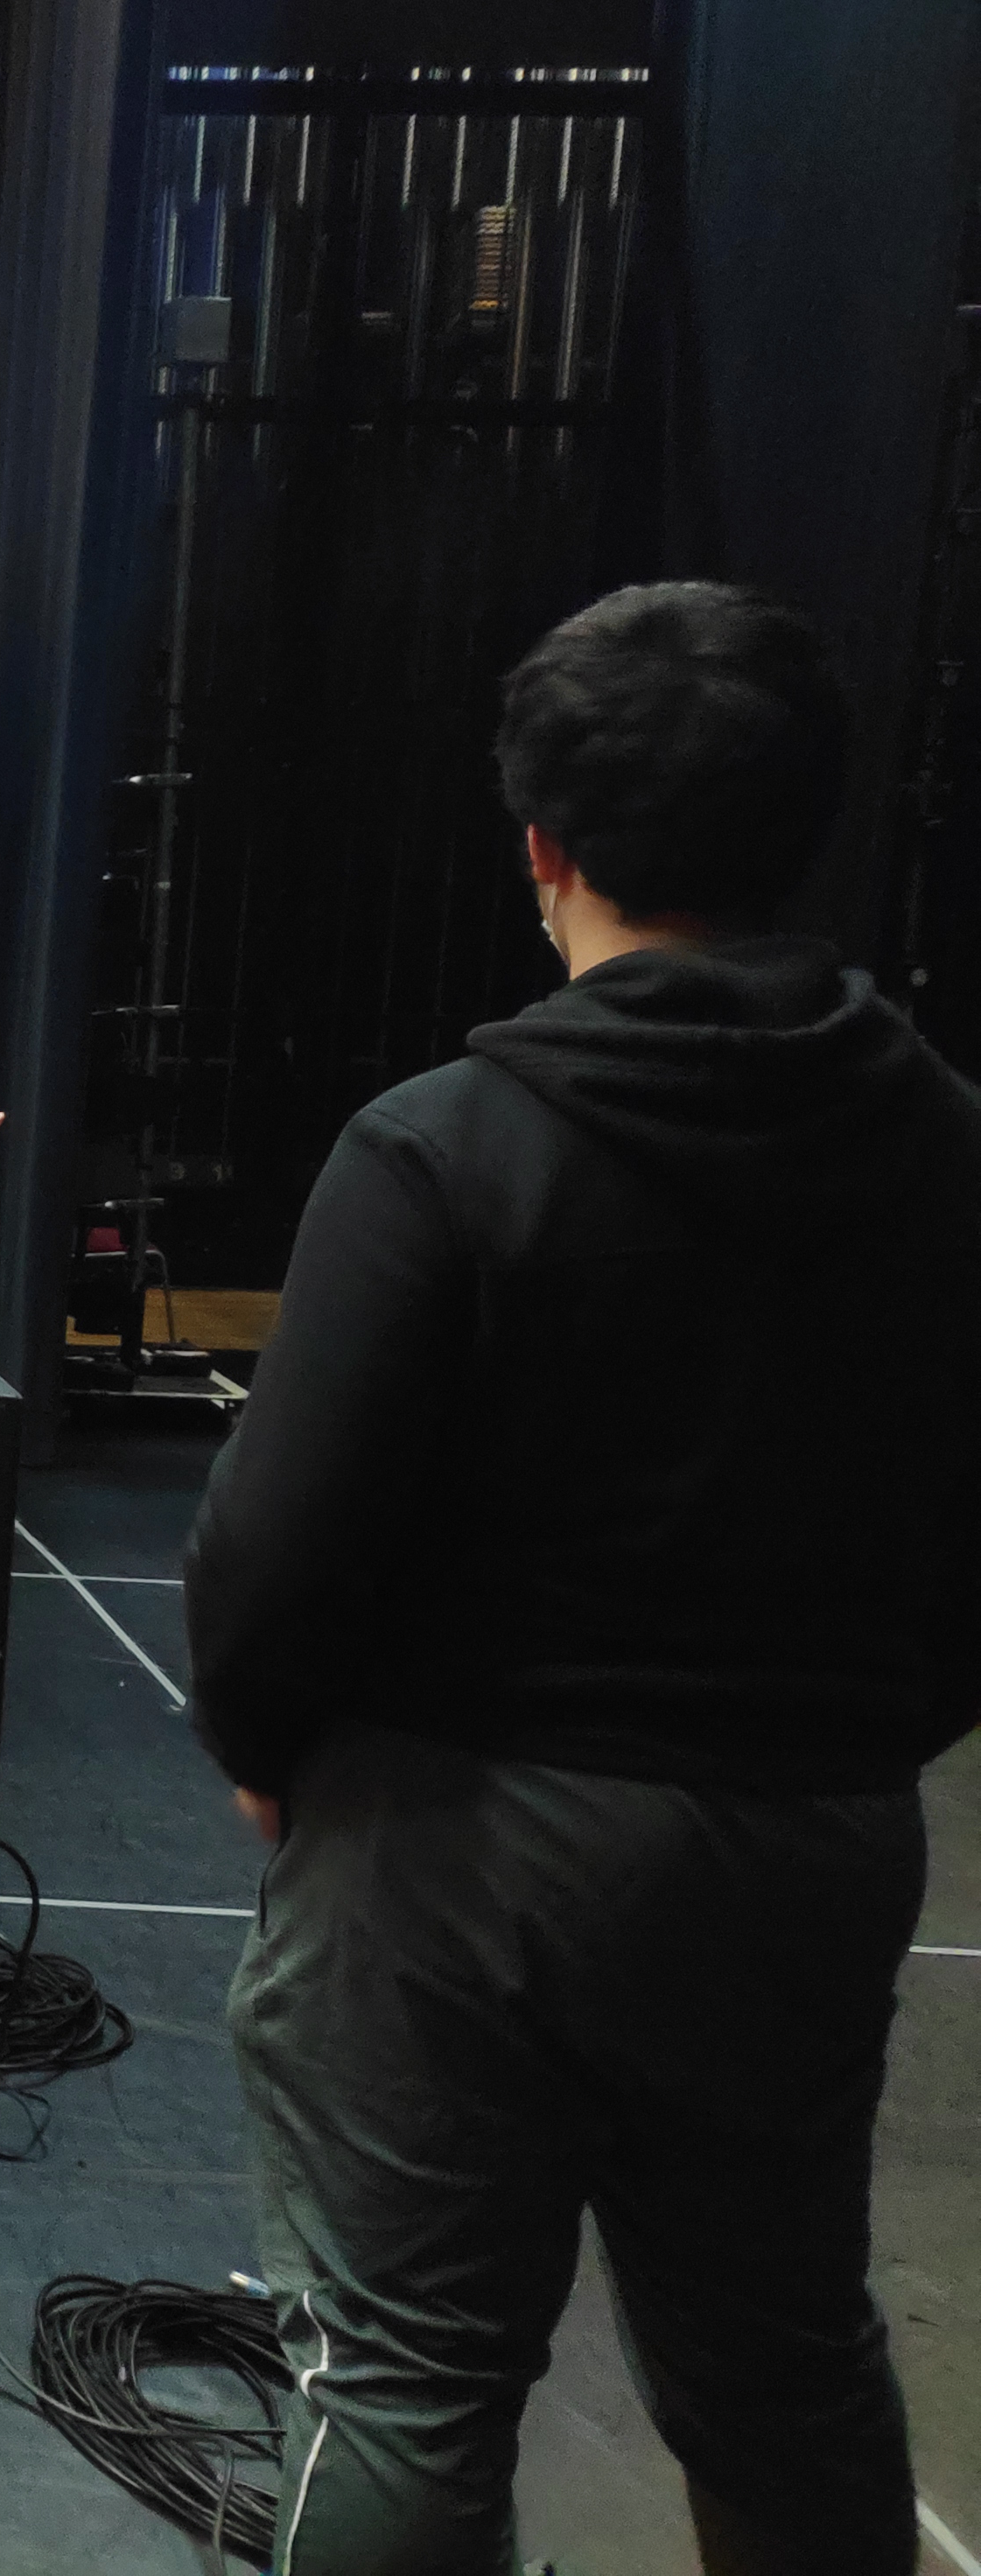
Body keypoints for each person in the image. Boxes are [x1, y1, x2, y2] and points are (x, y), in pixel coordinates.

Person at [184, 581, 981, 2576]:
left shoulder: (446, 1151)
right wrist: (850, 1743)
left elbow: (272, 1543)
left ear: (546, 850)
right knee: (788, 2373)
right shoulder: (950, 1150)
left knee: (405, 2380)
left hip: (455, 1852)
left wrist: (274, 1747)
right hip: (805, 1848)